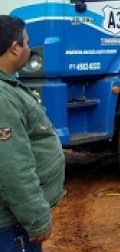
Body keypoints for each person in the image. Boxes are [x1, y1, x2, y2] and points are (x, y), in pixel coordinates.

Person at [0, 16, 65, 252]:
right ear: (14, 48)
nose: (30, 48)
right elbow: (12, 168)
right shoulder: (2, 97)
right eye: (27, 42)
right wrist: (36, 219)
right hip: (10, 228)